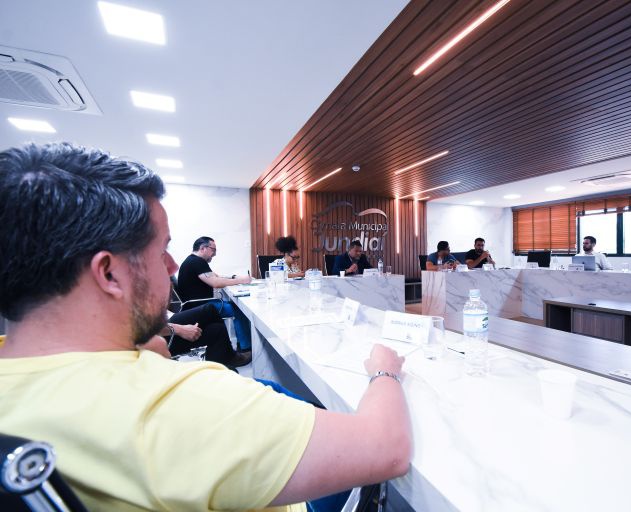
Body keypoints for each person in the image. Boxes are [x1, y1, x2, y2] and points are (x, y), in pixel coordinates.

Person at [0, 143, 411, 511]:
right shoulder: (178, 406)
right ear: (108, 273)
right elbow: (387, 448)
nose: (172, 267)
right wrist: (384, 371)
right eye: (162, 251)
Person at [177, 236, 253, 349]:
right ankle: (246, 348)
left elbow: (215, 276)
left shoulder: (192, 260)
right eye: (213, 250)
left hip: (195, 305)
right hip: (200, 307)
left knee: (234, 306)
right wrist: (242, 281)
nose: (215, 254)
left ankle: (241, 345)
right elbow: (215, 283)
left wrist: (234, 277)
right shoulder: (197, 262)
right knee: (238, 309)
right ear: (203, 248)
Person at [164, 302, 251, 368]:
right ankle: (230, 356)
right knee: (209, 309)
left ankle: (219, 366)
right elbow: (154, 326)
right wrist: (180, 329)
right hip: (162, 333)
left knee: (217, 329)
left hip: (166, 319)